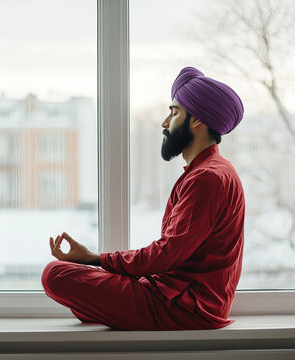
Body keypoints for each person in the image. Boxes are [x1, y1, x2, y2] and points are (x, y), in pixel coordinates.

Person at [41, 66, 245, 331]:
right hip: (173, 295)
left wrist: (93, 258)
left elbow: (165, 255)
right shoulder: (213, 171)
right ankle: (113, 310)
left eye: (173, 113)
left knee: (55, 275)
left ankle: (113, 309)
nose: (164, 123)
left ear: (196, 121)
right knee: (71, 277)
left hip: (184, 307)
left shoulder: (207, 178)